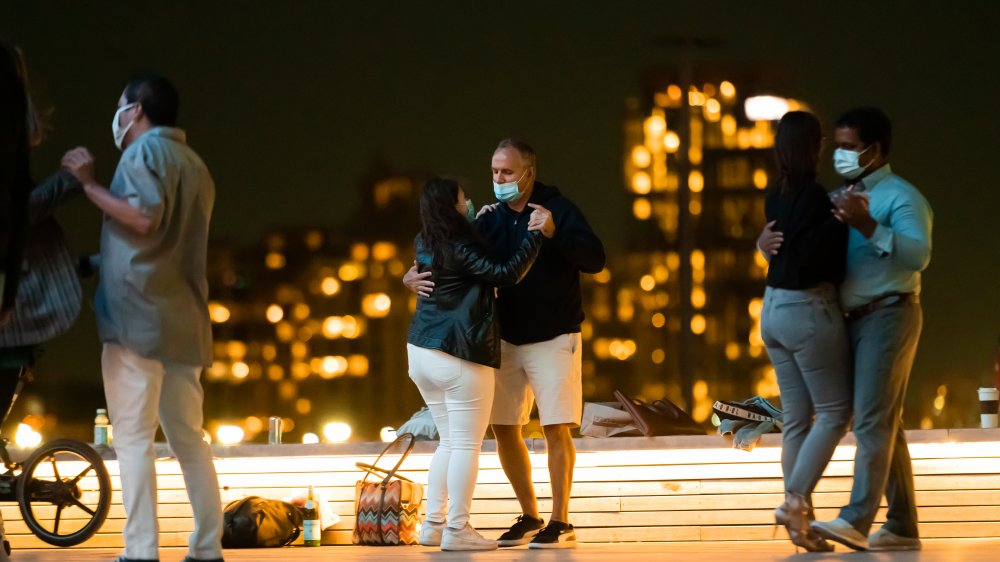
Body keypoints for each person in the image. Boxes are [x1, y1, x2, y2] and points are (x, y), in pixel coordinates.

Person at [405, 139, 605, 549]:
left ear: (529, 172)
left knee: (555, 427)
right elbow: (448, 257)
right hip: (503, 338)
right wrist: (408, 279)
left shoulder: (558, 209)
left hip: (554, 335)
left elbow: (595, 259)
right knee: (504, 428)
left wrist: (553, 232)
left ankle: (560, 520)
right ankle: (530, 514)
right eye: (494, 172)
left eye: (507, 172)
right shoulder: (489, 219)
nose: (498, 179)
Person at [61, 74, 224, 562]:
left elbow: (143, 218)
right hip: (184, 323)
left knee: (132, 439)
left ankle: (141, 551)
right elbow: (162, 242)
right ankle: (207, 547)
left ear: (135, 111)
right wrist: (94, 262)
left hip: (137, 321)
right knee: (188, 440)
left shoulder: (140, 155)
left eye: (119, 106)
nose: (117, 115)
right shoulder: (196, 166)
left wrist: (88, 184)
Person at [759, 107, 932, 552]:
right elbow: (801, 253)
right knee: (884, 420)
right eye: (835, 145)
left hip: (888, 313)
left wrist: (869, 225)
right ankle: (901, 524)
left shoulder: (901, 197)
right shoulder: (833, 198)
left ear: (875, 149)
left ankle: (855, 519)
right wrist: (763, 247)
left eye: (849, 147)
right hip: (845, 318)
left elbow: (917, 257)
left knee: (868, 419)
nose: (839, 154)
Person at [407, 176, 543, 551]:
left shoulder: (425, 240)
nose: (469, 203)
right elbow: (504, 274)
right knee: (466, 445)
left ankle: (433, 525)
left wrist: (478, 223)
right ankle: (457, 529)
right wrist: (534, 237)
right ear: (452, 205)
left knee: (449, 443)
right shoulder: (459, 244)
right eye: (464, 199)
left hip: (420, 351)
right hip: (459, 352)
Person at [758, 111, 850, 552]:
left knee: (796, 419)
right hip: (806, 309)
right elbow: (811, 259)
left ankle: (799, 522)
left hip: (771, 309)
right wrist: (840, 220)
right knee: (835, 412)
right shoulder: (815, 196)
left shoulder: (774, 194)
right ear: (814, 146)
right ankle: (795, 501)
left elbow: (783, 249)